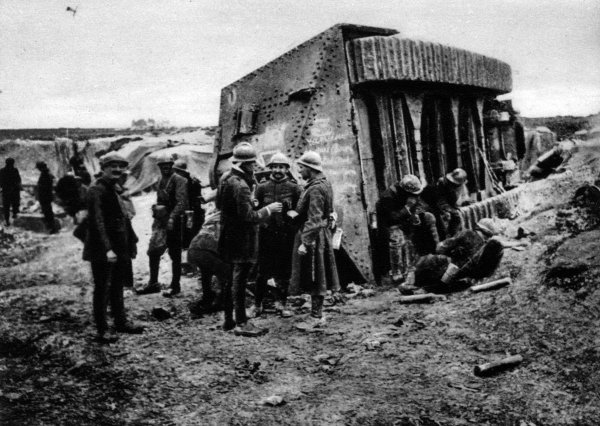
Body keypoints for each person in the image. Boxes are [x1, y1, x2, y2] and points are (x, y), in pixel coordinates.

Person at [217, 142, 282, 336]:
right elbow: (250, 217)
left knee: (229, 280)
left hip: (228, 236)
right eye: (252, 163)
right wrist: (267, 209)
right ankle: (242, 323)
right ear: (244, 164)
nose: (255, 166)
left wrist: (249, 203)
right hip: (242, 239)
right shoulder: (241, 185)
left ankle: (229, 320)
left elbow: (222, 205)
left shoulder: (226, 177)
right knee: (240, 280)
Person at [83, 153, 143, 343]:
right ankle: (102, 330)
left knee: (117, 284)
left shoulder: (114, 188)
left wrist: (131, 241)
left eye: (120, 166)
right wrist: (107, 249)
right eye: (112, 166)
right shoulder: (96, 190)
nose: (117, 170)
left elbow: (124, 218)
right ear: (103, 168)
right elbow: (97, 222)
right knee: (102, 288)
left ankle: (120, 322)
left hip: (119, 245)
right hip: (102, 248)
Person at [289, 151, 341, 330]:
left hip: (314, 236)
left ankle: (316, 317)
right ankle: (316, 313)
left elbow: (315, 218)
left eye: (301, 168)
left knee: (316, 275)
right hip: (319, 233)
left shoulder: (316, 188)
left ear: (310, 169)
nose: (299, 172)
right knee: (316, 274)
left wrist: (305, 242)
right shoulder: (322, 183)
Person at [249, 152, 301, 318]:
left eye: (282, 167)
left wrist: (295, 213)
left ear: (287, 169)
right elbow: (254, 210)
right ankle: (257, 305)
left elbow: (301, 209)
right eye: (275, 167)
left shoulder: (294, 188)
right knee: (262, 270)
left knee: (284, 271)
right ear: (270, 168)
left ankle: (281, 303)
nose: (278, 170)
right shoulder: (262, 187)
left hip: (286, 235)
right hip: (266, 234)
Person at [137, 154, 188, 297]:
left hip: (175, 221)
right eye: (162, 166)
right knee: (153, 251)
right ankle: (153, 283)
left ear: (172, 166)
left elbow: (182, 202)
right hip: (160, 221)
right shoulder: (160, 180)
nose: (165, 168)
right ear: (158, 167)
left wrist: (172, 218)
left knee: (175, 254)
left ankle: (175, 286)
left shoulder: (180, 180)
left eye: (168, 166)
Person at [375, 174, 440, 285]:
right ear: (405, 191)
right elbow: (392, 218)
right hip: (390, 225)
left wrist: (416, 214)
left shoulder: (411, 193)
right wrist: (407, 208)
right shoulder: (388, 197)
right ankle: (397, 273)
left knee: (429, 217)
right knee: (396, 237)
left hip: (405, 220)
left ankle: (437, 253)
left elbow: (421, 204)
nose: (415, 196)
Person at [414, 218, 505, 293]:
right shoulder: (486, 247)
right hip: (463, 277)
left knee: (427, 260)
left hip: (446, 270)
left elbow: (440, 248)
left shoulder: (467, 233)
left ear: (478, 227)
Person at [422, 168, 468, 239]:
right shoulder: (438, 187)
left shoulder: (453, 190)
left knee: (455, 218)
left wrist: (453, 210)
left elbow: (451, 203)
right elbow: (441, 202)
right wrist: (450, 211)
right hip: (428, 208)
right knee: (440, 228)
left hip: (437, 208)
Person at [172, 160, 205, 249]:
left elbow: (196, 198)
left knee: (190, 231)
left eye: (176, 171)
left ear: (180, 171)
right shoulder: (178, 181)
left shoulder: (192, 182)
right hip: (185, 210)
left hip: (191, 211)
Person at [35, 161, 58, 234]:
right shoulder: (47, 174)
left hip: (45, 196)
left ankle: (52, 228)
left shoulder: (45, 174)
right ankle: (52, 227)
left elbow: (44, 186)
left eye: (38, 168)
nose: (38, 169)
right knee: (48, 212)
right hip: (46, 196)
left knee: (48, 213)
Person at [0, 158, 22, 226]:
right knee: (15, 205)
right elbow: (18, 180)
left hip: (6, 191)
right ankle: (14, 219)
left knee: (6, 207)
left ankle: (7, 221)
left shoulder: (2, 171)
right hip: (14, 191)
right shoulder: (15, 170)